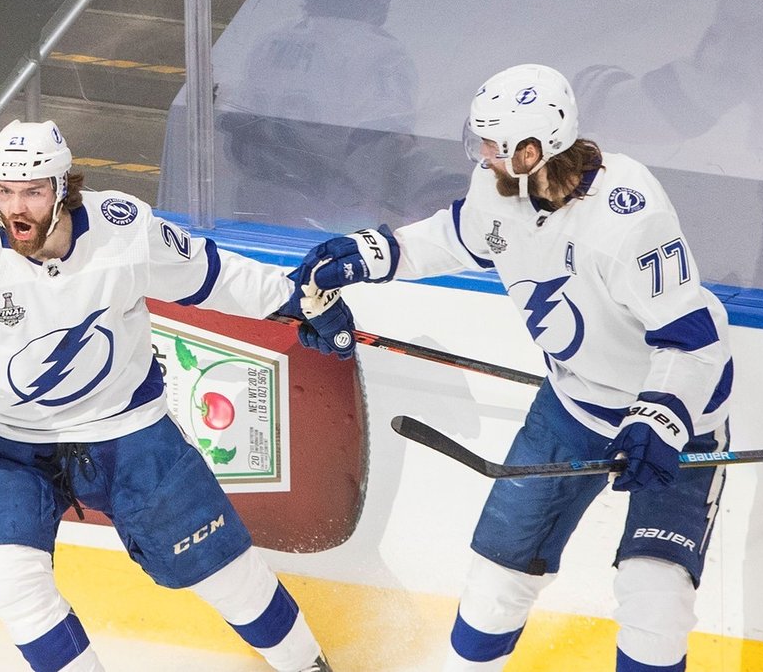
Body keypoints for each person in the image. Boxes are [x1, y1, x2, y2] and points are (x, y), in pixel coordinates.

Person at [0, 119, 349, 672]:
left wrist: (295, 300)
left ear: (64, 188)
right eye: (5, 191)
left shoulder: (123, 228)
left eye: (34, 191)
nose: (17, 207)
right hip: (18, 448)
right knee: (8, 579)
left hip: (130, 435)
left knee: (226, 573)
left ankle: (308, 666)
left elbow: (208, 274)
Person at [291, 64, 732, 671]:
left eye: (494, 146)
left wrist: (660, 418)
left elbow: (693, 341)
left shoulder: (629, 219)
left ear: (533, 150)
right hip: (572, 404)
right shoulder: (499, 188)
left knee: (654, 600)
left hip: (680, 417)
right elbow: (457, 236)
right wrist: (375, 253)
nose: (483, 157)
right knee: (497, 578)